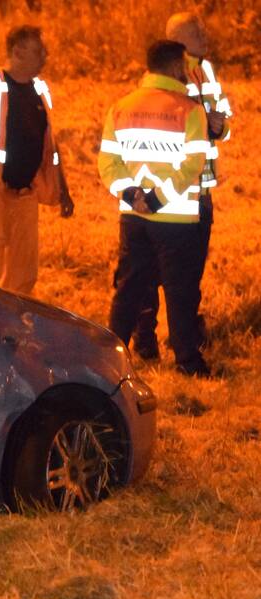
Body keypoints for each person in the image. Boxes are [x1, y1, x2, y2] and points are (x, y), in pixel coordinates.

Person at [99, 40, 211, 377]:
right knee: (180, 290)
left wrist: (132, 194)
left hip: (134, 216)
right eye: (184, 65)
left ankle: (109, 357)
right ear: (175, 66)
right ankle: (188, 362)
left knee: (129, 288)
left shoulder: (121, 107)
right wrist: (158, 199)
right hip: (176, 217)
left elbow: (108, 162)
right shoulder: (190, 110)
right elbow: (192, 165)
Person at [130, 12, 232, 360]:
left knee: (190, 273)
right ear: (178, 39)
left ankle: (185, 334)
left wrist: (219, 126)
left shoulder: (207, 71)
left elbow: (223, 121)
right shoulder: (161, 75)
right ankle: (146, 336)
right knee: (150, 272)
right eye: (197, 31)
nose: (205, 35)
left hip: (200, 190)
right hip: (163, 193)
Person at [0, 25, 74, 296]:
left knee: (23, 275)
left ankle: (11, 322)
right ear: (18, 52)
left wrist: (63, 190)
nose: (45, 56)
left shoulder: (40, 90)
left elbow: (50, 146)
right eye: (39, 50)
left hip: (25, 195)